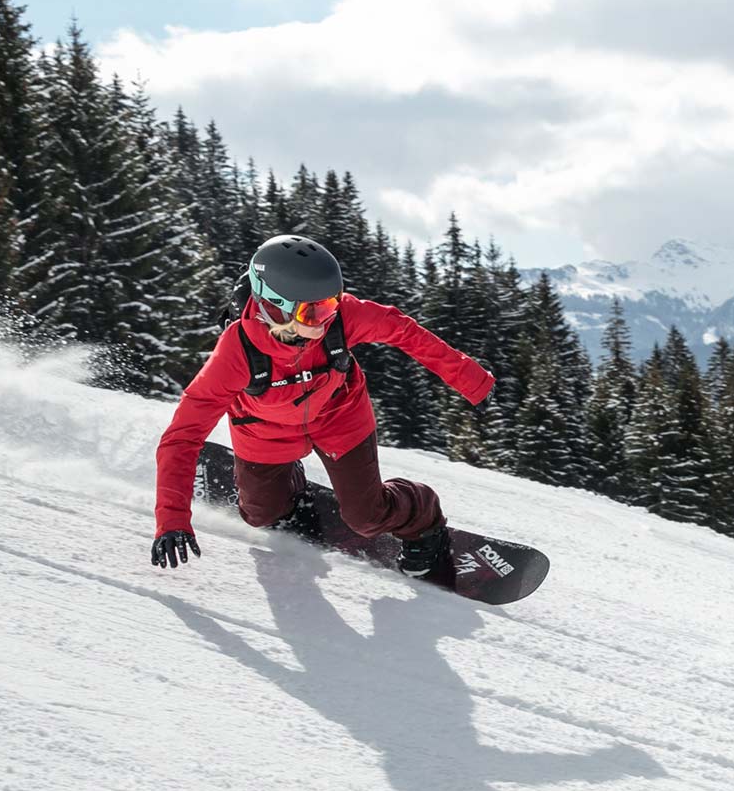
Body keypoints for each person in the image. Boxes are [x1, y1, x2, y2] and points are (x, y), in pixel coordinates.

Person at [150, 235, 495, 582]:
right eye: (311, 311)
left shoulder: (342, 318)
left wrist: (472, 381)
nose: (325, 318)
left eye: (330, 304)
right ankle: (289, 489)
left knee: (367, 517)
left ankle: (423, 517)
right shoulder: (235, 354)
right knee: (261, 515)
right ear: (274, 306)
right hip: (264, 429)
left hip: (339, 415)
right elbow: (182, 437)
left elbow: (404, 332)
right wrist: (172, 520)